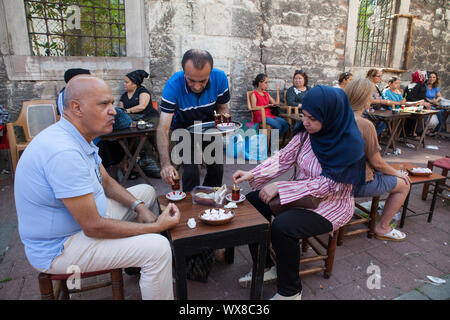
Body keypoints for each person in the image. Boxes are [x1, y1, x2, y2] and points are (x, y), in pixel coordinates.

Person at [14, 75, 180, 300]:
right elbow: (93, 227)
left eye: (111, 103)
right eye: (104, 104)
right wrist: (155, 228)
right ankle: (151, 260)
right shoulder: (64, 153)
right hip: (61, 247)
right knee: (158, 248)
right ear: (76, 108)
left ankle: (139, 267)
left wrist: (138, 207)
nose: (113, 110)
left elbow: (107, 182)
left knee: (145, 193)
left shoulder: (79, 137)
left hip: (82, 223)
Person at [233, 85, 366, 300]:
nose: (305, 122)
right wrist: (252, 173)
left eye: (312, 118)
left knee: (284, 227)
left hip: (332, 205)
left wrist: (280, 186)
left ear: (331, 116)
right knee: (252, 204)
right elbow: (284, 157)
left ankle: (291, 291)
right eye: (304, 115)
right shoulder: (306, 134)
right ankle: (266, 266)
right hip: (302, 194)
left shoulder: (350, 146)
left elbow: (328, 186)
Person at [345, 79, 411, 241]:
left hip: (335, 177)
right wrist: (398, 174)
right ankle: (382, 227)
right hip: (353, 184)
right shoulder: (364, 124)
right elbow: (377, 162)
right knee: (404, 184)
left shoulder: (336, 118)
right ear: (366, 99)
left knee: (388, 173)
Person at [157, 49, 230, 193]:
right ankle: (191, 205)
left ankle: (210, 201)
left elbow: (223, 108)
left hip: (209, 126)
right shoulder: (173, 85)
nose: (197, 87)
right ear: (184, 71)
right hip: (184, 129)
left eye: (203, 81)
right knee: (191, 171)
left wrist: (222, 127)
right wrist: (165, 164)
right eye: (191, 80)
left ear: (210, 73)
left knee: (216, 167)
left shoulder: (220, 77)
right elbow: (163, 128)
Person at [119, 69, 161, 179]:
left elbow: (142, 106)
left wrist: (127, 111)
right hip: (136, 121)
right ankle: (134, 165)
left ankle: (162, 161)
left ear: (135, 83)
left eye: (126, 82)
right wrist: (124, 112)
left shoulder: (142, 91)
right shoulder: (124, 96)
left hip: (150, 117)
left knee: (152, 137)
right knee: (131, 137)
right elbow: (120, 111)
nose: (124, 84)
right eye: (124, 82)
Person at [366, 69, 396, 136]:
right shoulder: (367, 86)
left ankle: (373, 136)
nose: (380, 78)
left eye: (381, 76)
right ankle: (372, 136)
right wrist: (382, 101)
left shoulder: (376, 86)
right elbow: (368, 100)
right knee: (385, 119)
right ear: (372, 77)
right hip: (369, 109)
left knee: (390, 116)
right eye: (378, 76)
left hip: (378, 109)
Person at [404, 70, 432, 137]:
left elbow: (422, 97)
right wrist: (422, 103)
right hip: (411, 105)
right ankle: (413, 132)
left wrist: (426, 103)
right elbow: (409, 98)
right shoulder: (415, 85)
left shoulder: (420, 85)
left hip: (417, 105)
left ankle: (417, 131)